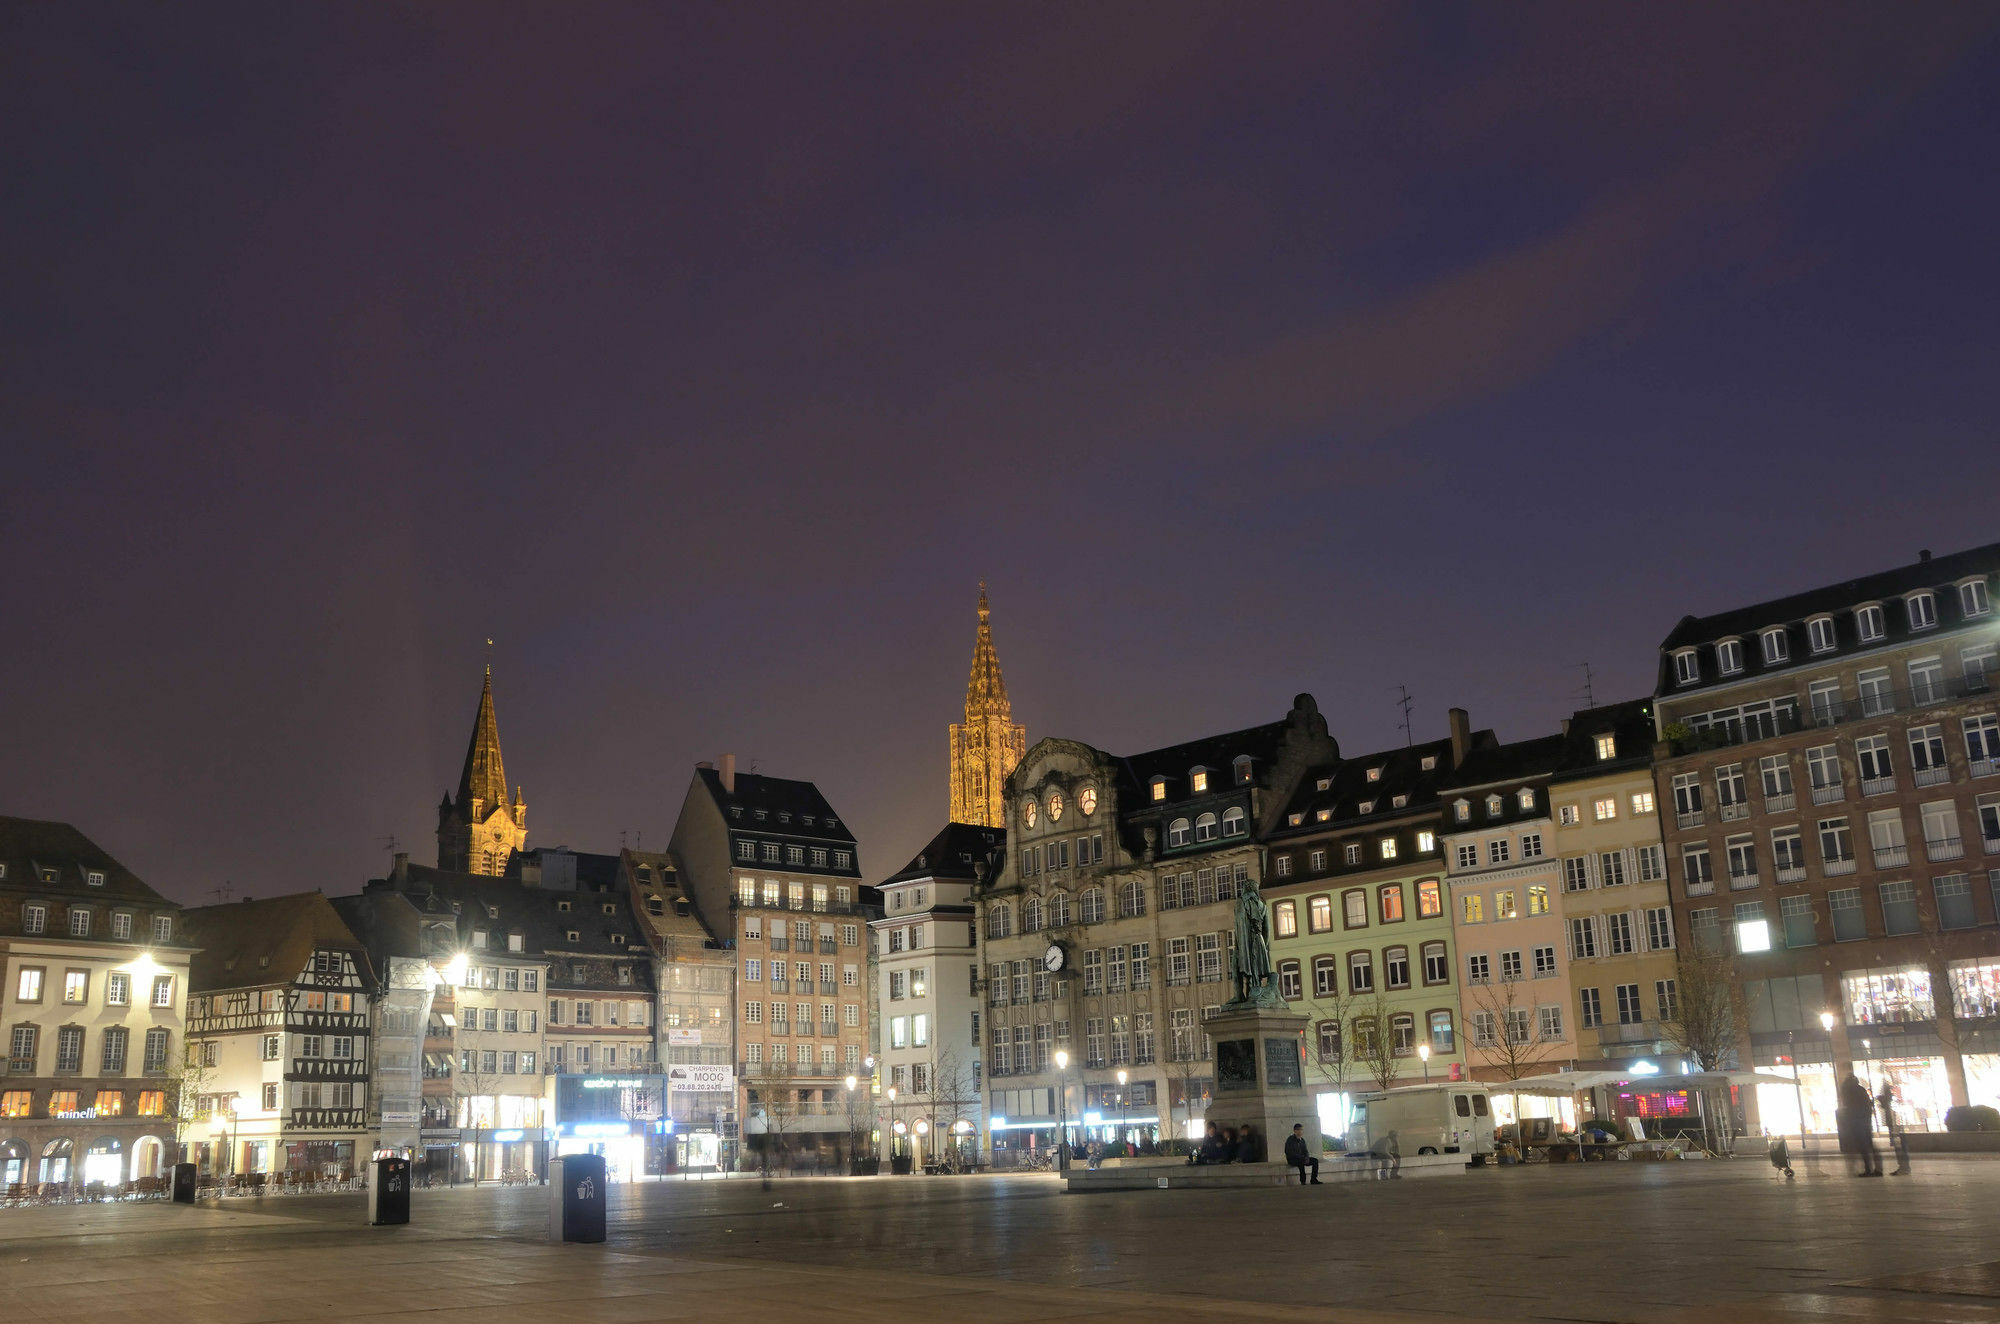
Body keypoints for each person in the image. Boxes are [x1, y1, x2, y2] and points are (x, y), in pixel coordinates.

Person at [1839, 1070, 1882, 1176]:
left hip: (1856, 1120)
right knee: (1870, 1144)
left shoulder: (1848, 1090)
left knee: (1862, 1145)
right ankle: (1878, 1169)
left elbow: (1847, 1105)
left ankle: (1868, 1169)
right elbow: (1868, 1104)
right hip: (1866, 1119)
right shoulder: (1861, 1089)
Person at [1877, 1082, 1911, 1176]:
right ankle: (1904, 1167)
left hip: (1896, 1127)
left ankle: (1904, 1167)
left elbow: (1894, 1114)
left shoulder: (1891, 1100)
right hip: (1896, 1127)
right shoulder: (1891, 1099)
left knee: (1900, 1147)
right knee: (1899, 1147)